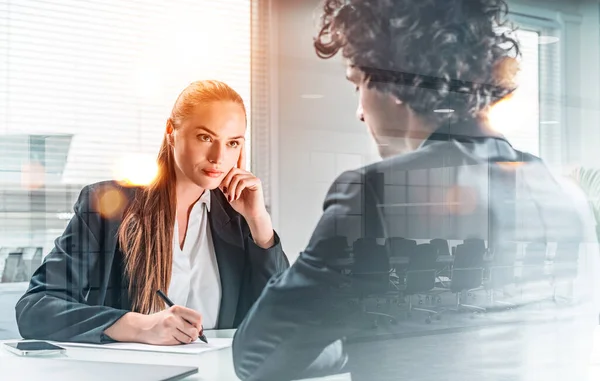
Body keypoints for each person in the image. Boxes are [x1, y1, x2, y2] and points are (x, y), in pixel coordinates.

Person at [232, 1, 599, 380]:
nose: (360, 111)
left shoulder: (377, 194)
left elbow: (258, 356)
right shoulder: (570, 199)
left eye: (358, 84)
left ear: (391, 80)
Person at [15, 80, 289, 345]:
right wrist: (140, 326)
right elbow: (35, 309)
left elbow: (284, 314)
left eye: (232, 143)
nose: (218, 157)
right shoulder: (107, 207)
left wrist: (259, 222)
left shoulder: (238, 217)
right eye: (205, 137)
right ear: (171, 131)